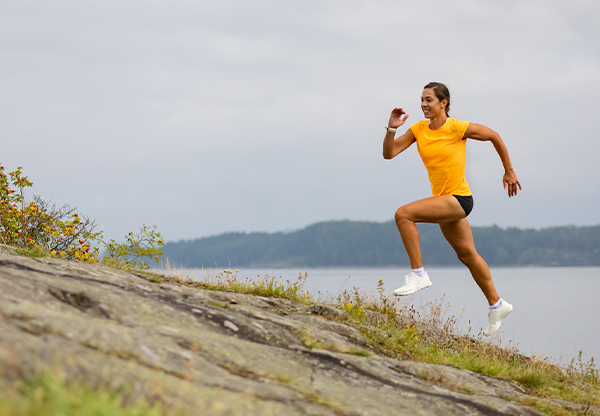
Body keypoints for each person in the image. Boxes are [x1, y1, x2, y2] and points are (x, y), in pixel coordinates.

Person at [382, 82, 521, 337]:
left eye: (429, 100)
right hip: (444, 202)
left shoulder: (457, 128)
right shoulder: (418, 130)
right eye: (422, 100)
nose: (424, 104)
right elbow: (389, 153)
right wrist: (391, 128)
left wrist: (509, 170)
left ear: (443, 102)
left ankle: (418, 274)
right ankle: (497, 305)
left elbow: (493, 135)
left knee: (403, 214)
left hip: (458, 199)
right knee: (468, 256)